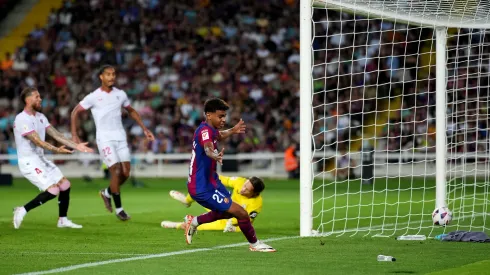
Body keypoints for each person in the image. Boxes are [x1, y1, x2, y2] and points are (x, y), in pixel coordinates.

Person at [183, 98, 276, 252]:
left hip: (212, 181)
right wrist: (213, 154)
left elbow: (218, 136)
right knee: (241, 213)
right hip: (201, 187)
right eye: (220, 116)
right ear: (208, 115)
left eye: (224, 116)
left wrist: (233, 130)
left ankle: (194, 222)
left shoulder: (209, 129)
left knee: (225, 213)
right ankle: (255, 244)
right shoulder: (205, 131)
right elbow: (207, 147)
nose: (223, 119)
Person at [70, 65, 154, 221]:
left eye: (113, 74)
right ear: (101, 77)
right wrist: (74, 135)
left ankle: (106, 193)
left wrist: (144, 128)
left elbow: (131, 111)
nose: (111, 77)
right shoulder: (93, 96)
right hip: (104, 139)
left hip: (120, 138)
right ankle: (119, 209)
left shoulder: (120, 94)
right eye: (108, 74)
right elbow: (75, 111)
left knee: (126, 173)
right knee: (115, 171)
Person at [12, 87, 94, 229]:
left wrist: (76, 146)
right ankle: (22, 210)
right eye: (37, 97)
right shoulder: (21, 119)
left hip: (41, 159)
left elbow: (57, 135)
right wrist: (57, 150)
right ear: (28, 99)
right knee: (53, 190)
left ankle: (62, 220)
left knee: (65, 185)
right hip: (29, 161)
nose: (40, 99)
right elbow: (38, 142)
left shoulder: (40, 117)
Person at [161, 174, 265, 232]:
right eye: (244, 185)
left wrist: (232, 223)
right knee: (202, 189)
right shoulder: (240, 181)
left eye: (247, 190)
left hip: (229, 223)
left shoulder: (257, 203)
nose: (242, 189)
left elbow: (248, 220)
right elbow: (223, 179)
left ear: (254, 193)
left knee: (199, 225)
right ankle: (186, 201)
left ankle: (177, 225)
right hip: (223, 205)